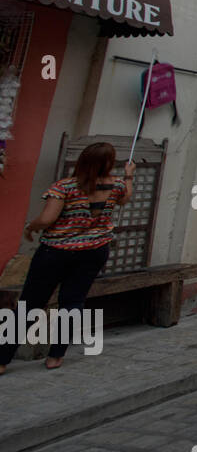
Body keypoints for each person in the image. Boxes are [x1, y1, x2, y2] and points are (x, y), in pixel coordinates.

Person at [1, 143, 134, 374]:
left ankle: (2, 359)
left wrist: (31, 227)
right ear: (109, 163)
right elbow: (125, 199)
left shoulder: (65, 187)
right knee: (72, 303)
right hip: (94, 250)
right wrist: (129, 176)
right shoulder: (117, 186)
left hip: (56, 251)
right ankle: (55, 356)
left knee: (31, 304)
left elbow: (47, 218)